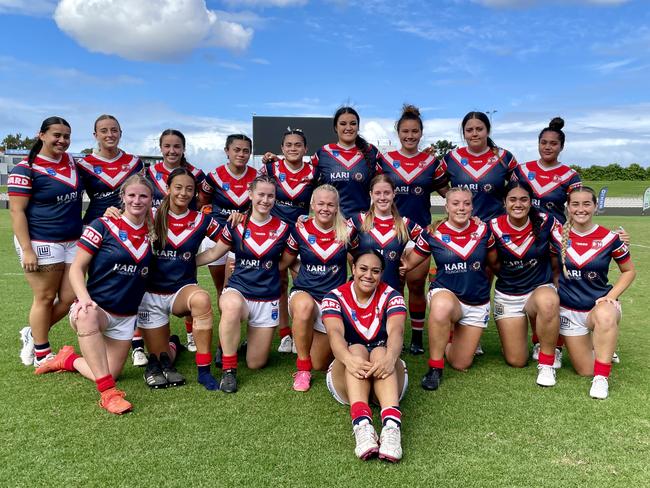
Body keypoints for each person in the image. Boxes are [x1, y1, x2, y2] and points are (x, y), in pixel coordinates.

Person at [34, 175, 155, 415]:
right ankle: (108, 394)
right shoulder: (103, 225)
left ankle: (68, 359)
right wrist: (84, 299)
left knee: (110, 372)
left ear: (151, 199)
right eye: (131, 195)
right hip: (96, 308)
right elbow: (77, 269)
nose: (137, 200)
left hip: (125, 316)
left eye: (143, 195)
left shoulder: (155, 232)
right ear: (122, 198)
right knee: (86, 316)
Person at [196, 175, 289, 393]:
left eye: (270, 196)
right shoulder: (236, 224)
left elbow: (288, 260)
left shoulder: (284, 228)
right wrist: (184, 262)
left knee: (256, 363)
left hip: (267, 297)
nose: (265, 200)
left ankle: (243, 341)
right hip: (239, 291)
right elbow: (214, 252)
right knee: (231, 306)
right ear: (250, 195)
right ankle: (229, 370)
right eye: (261, 195)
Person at [403, 187, 498, 390]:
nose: (461, 208)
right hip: (446, 293)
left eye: (466, 203)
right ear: (446, 206)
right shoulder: (432, 232)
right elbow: (408, 264)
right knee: (441, 307)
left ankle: (450, 336)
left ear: (473, 206)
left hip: (477, 300)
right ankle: (435, 368)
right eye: (455, 203)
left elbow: (495, 264)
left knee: (460, 363)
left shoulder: (484, 230)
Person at [135, 168, 222, 390]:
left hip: (181, 291)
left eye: (189, 189)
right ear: (167, 189)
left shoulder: (202, 219)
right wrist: (111, 213)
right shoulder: (149, 214)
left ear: (195, 193)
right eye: (178, 187)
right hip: (150, 294)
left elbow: (225, 241)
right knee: (163, 359)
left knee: (202, 299)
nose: (183, 193)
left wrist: (193, 261)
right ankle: (173, 343)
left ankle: (204, 370)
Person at [9, 116, 81, 368]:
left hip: (73, 240)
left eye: (66, 136)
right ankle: (42, 352)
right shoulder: (25, 168)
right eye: (56, 135)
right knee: (45, 296)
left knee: (70, 296)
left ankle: (32, 331)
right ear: (41, 135)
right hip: (42, 240)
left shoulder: (73, 162)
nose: (62, 140)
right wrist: (27, 249)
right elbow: (16, 211)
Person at [322, 250, 408, 462]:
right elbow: (334, 335)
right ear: (353, 269)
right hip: (348, 375)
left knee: (381, 351)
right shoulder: (334, 296)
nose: (368, 275)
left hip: (386, 374)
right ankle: (362, 425)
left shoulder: (392, 295)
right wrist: (349, 359)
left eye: (375, 271)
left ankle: (391, 428)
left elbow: (397, 331)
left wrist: (390, 357)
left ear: (381, 274)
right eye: (363, 269)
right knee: (356, 349)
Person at [550, 186, 635, 399]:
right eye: (575, 204)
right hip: (569, 310)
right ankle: (604, 346)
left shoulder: (610, 238)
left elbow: (629, 271)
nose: (581, 209)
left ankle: (601, 379)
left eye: (587, 203)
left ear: (595, 206)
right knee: (585, 369)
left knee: (606, 315)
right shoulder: (556, 235)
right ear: (568, 207)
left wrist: (611, 296)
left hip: (598, 306)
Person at [377, 105, 448, 355]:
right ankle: (384, 336)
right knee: (388, 287)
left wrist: (463, 208)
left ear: (421, 132)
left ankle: (417, 338)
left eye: (415, 131)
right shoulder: (383, 160)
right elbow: (373, 190)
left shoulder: (432, 162)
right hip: (387, 232)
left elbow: (445, 191)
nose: (410, 135)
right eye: (405, 131)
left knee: (416, 286)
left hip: (418, 234)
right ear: (398, 132)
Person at [279, 185, 353, 391]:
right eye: (320, 203)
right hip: (305, 293)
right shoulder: (300, 229)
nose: (325, 208)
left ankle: (308, 339)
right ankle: (302, 369)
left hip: (332, 300)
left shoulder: (347, 230)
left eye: (330, 204)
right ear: (312, 204)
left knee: (320, 364)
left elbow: (357, 261)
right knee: (303, 307)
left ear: (337, 207)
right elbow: (285, 261)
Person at [141, 129, 205, 361]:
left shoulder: (196, 174)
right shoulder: (147, 173)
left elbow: (205, 202)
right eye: (167, 146)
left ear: (183, 149)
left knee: (189, 281)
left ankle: (190, 333)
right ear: (160, 148)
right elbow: (136, 199)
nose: (172, 150)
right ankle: (138, 342)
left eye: (176, 146)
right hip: (157, 227)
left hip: (187, 232)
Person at [489, 180, 561, 386]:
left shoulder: (547, 221)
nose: (518, 204)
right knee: (517, 360)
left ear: (531, 202)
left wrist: (615, 239)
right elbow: (490, 262)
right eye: (512, 199)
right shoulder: (492, 226)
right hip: (508, 295)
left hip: (538, 289)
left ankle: (546, 363)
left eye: (523, 199)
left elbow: (571, 240)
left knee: (548, 301)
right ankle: (518, 341)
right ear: (504, 202)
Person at [260, 128, 317, 354]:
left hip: (303, 234)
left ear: (305, 149)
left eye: (298, 145)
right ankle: (285, 334)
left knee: (303, 280)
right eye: (288, 145)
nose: (293, 148)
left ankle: (303, 331)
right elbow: (258, 193)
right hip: (277, 233)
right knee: (280, 282)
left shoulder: (314, 171)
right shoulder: (271, 167)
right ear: (282, 149)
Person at [198, 134, 257, 314]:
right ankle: (226, 336)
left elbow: (262, 204)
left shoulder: (257, 176)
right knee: (220, 290)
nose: (241, 154)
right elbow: (202, 202)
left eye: (246, 151)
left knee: (235, 288)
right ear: (227, 151)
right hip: (215, 236)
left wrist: (245, 216)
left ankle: (242, 333)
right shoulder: (213, 176)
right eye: (236, 150)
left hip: (244, 238)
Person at [350, 174, 422, 296]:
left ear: (394, 194)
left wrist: (410, 263)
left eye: (387, 193)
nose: (382, 197)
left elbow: (429, 241)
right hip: (362, 292)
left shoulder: (404, 223)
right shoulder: (358, 220)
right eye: (377, 193)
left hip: (392, 293)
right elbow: (338, 241)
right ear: (371, 194)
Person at [441, 111, 518, 222]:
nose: (474, 134)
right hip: (462, 227)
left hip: (495, 226)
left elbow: (518, 187)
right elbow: (437, 182)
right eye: (469, 130)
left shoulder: (504, 157)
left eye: (479, 129)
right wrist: (452, 199)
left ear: (487, 131)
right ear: (464, 133)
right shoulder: (452, 158)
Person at [311, 107, 380, 218]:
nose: (348, 128)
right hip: (331, 223)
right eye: (343, 124)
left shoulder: (371, 152)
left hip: (361, 224)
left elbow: (385, 184)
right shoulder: (323, 153)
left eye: (353, 123)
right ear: (335, 127)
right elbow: (303, 179)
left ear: (358, 127)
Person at [76, 114, 144, 224]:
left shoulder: (135, 162)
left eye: (114, 130)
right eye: (104, 131)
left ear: (120, 133)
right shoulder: (84, 165)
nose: (110, 135)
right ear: (96, 135)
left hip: (129, 226)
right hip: (94, 225)